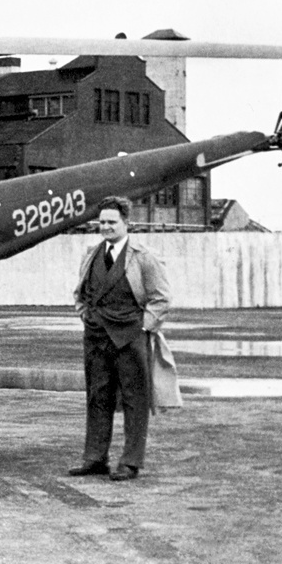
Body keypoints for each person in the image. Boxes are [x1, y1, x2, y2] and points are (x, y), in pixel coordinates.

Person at [69, 196, 172, 481]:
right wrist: (86, 316)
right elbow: (81, 293)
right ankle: (95, 458)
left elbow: (161, 299)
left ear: (127, 223)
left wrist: (142, 328)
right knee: (97, 397)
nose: (106, 227)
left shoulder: (143, 256)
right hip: (96, 338)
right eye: (102, 222)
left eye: (112, 222)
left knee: (134, 399)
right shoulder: (91, 254)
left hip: (130, 338)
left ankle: (130, 462)